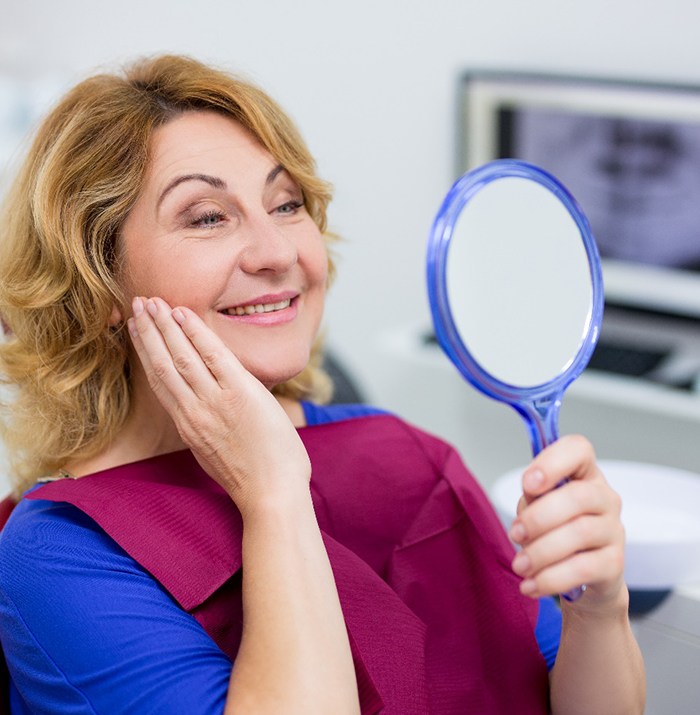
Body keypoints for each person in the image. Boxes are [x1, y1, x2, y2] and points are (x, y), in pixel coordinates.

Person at [0, 54, 645, 714]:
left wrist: (599, 611)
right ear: (98, 279)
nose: (277, 252)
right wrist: (274, 493)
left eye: (286, 204)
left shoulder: (411, 459)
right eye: (207, 216)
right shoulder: (60, 554)